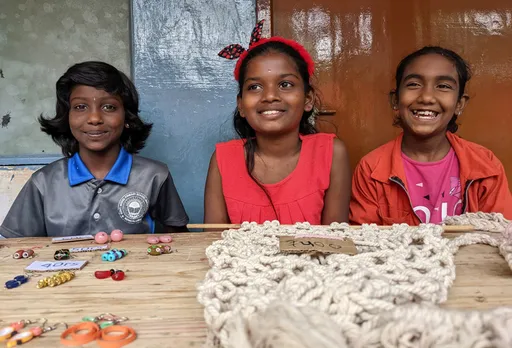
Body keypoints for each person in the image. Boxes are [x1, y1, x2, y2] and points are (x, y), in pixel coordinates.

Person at [0, 61, 189, 237]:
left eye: (108, 107)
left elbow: (178, 242)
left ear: (127, 118)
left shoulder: (155, 176)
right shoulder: (43, 182)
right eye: (80, 107)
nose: (94, 118)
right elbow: (17, 248)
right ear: (67, 117)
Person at [204, 20, 351, 225]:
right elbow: (214, 243)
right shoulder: (223, 159)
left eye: (285, 84)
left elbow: (336, 241)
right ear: (241, 105)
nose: (270, 96)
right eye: (255, 87)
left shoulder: (331, 153)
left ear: (308, 99)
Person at [350, 46, 512, 225]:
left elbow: (500, 236)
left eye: (443, 86)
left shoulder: (485, 165)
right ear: (395, 100)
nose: (427, 97)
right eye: (414, 84)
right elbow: (365, 243)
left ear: (459, 103)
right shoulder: (372, 169)